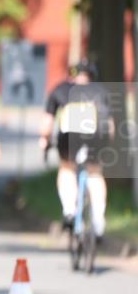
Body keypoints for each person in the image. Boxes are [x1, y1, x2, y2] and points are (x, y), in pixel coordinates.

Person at [39, 60, 114, 239]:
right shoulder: (101, 91)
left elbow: (47, 125)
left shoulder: (61, 90)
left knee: (67, 168)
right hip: (96, 136)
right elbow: (110, 127)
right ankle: (98, 219)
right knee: (95, 173)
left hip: (69, 137)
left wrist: (45, 140)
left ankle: (69, 211)